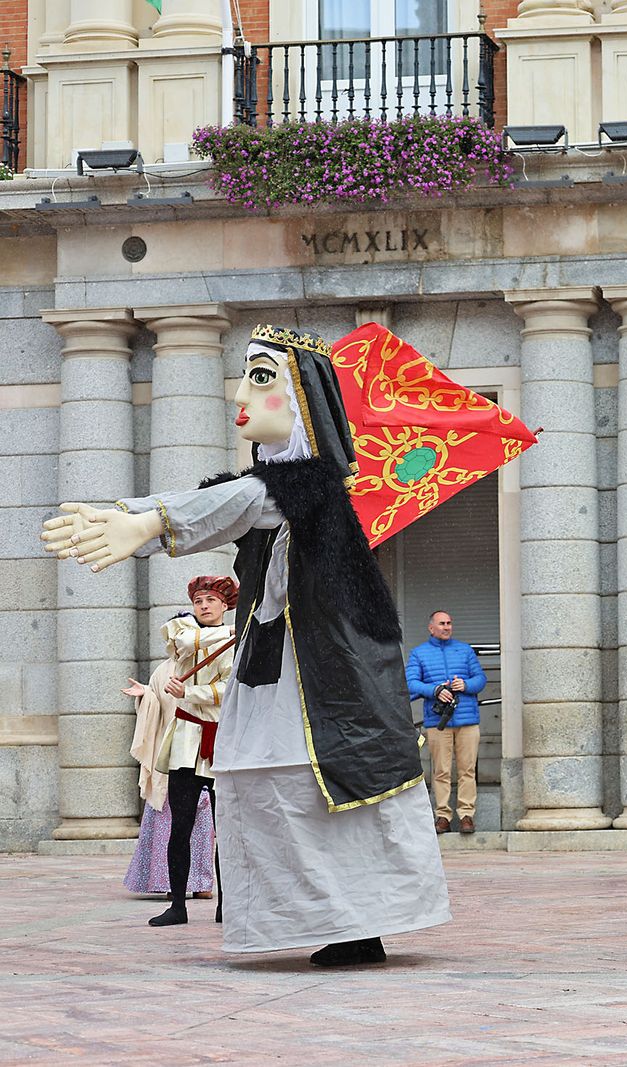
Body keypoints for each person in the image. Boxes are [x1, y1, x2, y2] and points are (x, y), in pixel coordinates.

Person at [42, 323, 450, 967]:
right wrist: (129, 513)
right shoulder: (277, 491)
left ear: (304, 402)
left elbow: (235, 504)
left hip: (319, 684)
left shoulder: (309, 490)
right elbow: (220, 500)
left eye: (261, 379)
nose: (240, 395)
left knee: (308, 793)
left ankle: (357, 925)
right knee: (275, 794)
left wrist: (146, 523)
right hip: (278, 670)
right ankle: (333, 922)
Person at [123, 575, 236, 925]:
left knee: (227, 831)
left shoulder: (235, 642)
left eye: (211, 600)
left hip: (221, 741)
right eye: (199, 600)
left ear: (224, 605)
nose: (204, 605)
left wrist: (190, 693)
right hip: (185, 740)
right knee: (180, 826)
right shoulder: (183, 633)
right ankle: (177, 906)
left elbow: (229, 687)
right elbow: (183, 644)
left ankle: (227, 906)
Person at [407, 610, 488, 835]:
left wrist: (466, 685)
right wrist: (435, 690)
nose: (446, 627)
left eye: (449, 623)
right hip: (438, 721)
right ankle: (443, 816)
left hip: (467, 719)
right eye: (442, 623)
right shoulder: (419, 653)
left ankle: (466, 815)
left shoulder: (465, 650)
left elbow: (481, 679)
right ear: (431, 628)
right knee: (441, 771)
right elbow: (410, 683)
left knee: (467, 770)